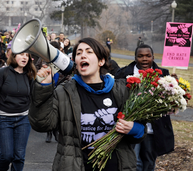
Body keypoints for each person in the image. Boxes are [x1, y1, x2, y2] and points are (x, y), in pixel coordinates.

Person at [28, 37, 146, 171]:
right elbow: (42, 124)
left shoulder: (121, 90)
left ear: (101, 61)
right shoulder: (64, 92)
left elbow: (141, 131)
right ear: (76, 63)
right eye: (78, 53)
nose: (83, 55)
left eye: (89, 52)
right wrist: (43, 89)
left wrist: (135, 129)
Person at [114, 44, 175, 171]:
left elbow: (170, 99)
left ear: (153, 57)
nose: (145, 59)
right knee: (133, 160)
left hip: (153, 128)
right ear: (135, 58)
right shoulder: (123, 73)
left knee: (149, 160)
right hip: (131, 127)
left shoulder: (164, 74)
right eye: (140, 56)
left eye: (148, 56)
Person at [0, 52, 37, 171]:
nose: (24, 57)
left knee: (19, 156)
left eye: (27, 55)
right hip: (4, 119)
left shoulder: (30, 74)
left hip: (23, 119)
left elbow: (34, 95)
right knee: (6, 155)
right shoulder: (2, 73)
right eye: (21, 54)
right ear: (14, 56)